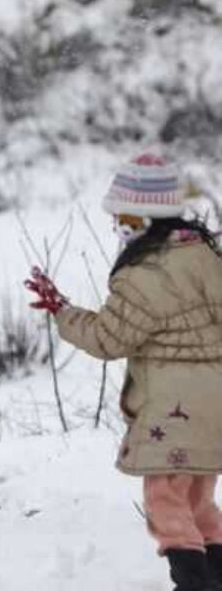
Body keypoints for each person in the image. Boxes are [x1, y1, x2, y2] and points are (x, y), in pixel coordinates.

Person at [27, 153, 222, 591]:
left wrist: (62, 311)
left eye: (122, 215)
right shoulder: (207, 254)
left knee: (166, 504)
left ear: (141, 219)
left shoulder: (143, 274)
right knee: (198, 501)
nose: (116, 223)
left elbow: (108, 339)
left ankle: (195, 584)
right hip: (216, 403)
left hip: (175, 409)